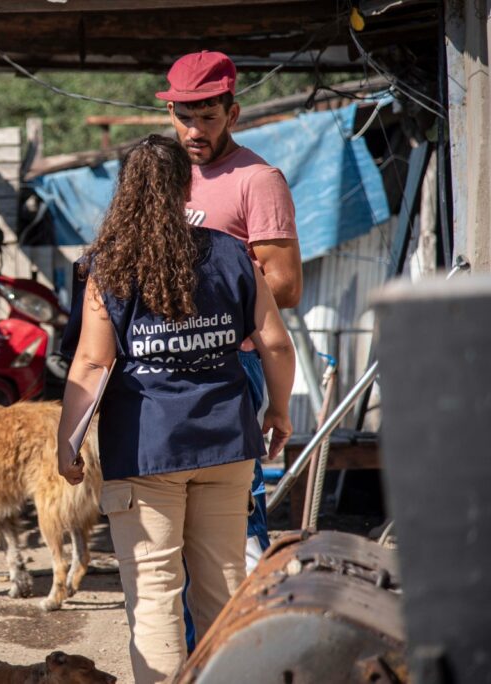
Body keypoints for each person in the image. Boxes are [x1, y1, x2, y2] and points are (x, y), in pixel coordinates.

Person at [56, 135, 295, 683]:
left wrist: (67, 444)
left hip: (146, 451)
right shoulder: (232, 252)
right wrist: (278, 411)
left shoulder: (107, 265)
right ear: (185, 187)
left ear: (126, 192)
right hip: (227, 444)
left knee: (155, 596)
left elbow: (92, 364)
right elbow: (275, 343)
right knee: (224, 590)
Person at [158, 51, 303, 593]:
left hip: (232, 364)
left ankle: (247, 651)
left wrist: (211, 285)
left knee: (237, 530)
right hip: (165, 368)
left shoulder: (257, 179)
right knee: (176, 540)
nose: (194, 130)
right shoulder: (164, 178)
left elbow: (285, 287)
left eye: (208, 117)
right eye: (183, 116)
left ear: (233, 112)